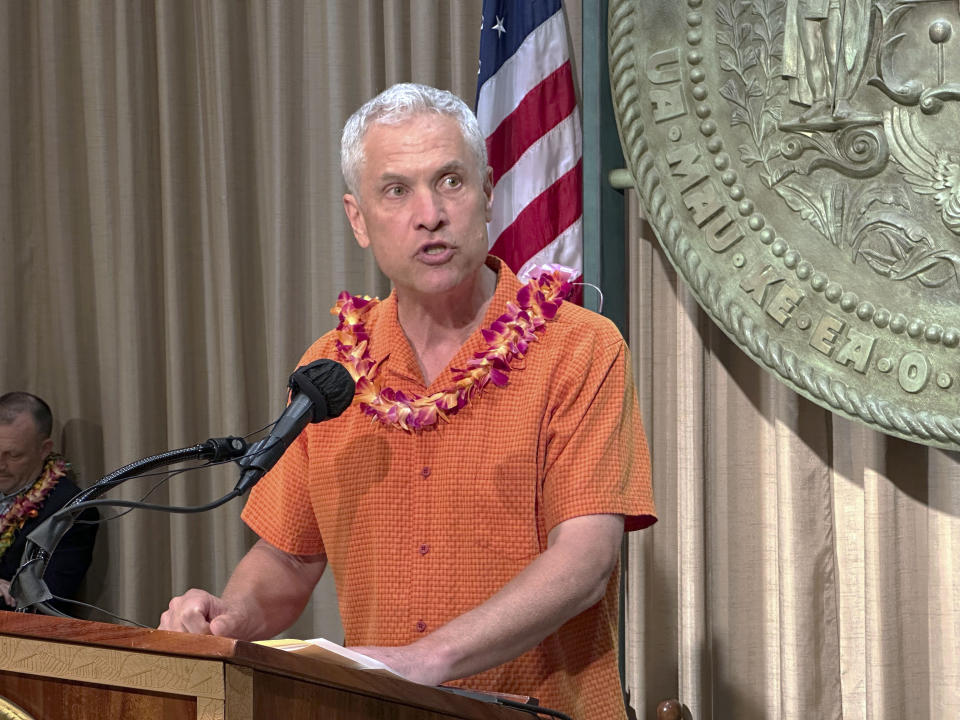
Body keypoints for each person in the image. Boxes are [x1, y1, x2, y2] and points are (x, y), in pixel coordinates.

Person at [160, 83, 656, 720]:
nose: (430, 213)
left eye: (450, 181)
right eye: (396, 190)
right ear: (358, 219)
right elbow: (287, 555)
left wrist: (429, 658)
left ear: (487, 193)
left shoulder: (580, 346)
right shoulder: (329, 367)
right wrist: (233, 616)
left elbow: (585, 561)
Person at [0, 392, 98, 610]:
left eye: (13, 455)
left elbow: (50, 601)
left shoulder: (69, 507)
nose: (0, 465)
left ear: (44, 449)